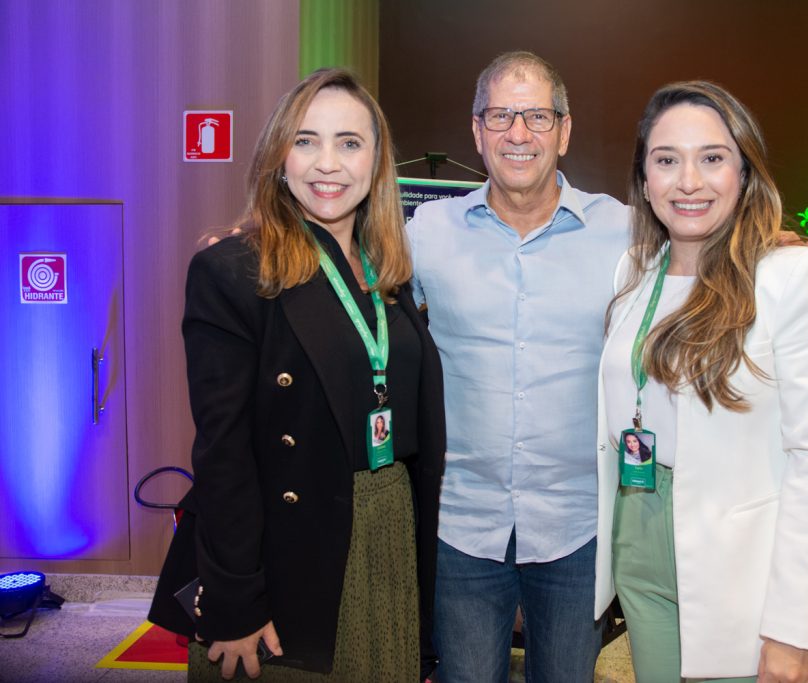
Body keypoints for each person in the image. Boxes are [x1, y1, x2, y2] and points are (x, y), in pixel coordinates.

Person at [148, 68, 446, 682]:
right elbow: (223, 452)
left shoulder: (387, 273)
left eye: (349, 143)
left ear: (376, 161)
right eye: (305, 141)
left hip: (385, 530)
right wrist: (234, 600)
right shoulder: (233, 271)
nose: (327, 163)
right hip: (290, 547)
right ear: (277, 155)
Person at [595, 81, 808, 682]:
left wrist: (794, 631)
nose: (689, 181)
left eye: (712, 158)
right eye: (666, 160)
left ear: (745, 172)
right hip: (637, 538)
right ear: (643, 179)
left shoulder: (794, 276)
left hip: (739, 563)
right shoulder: (636, 272)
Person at [406, 51, 630, 682]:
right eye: (501, 116)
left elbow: (697, 270)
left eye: (536, 115)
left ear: (564, 129)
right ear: (476, 132)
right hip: (463, 522)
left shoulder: (624, 233)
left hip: (576, 524)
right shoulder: (428, 231)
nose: (519, 134)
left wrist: (760, 247)